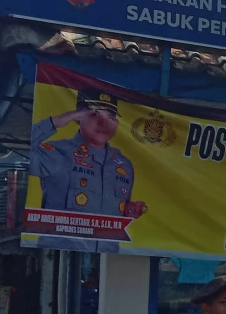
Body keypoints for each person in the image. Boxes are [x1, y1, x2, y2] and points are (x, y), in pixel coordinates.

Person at [29, 89, 146, 251]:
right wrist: (59, 120)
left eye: (110, 117)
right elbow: (22, 150)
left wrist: (128, 212)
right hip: (62, 256)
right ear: (78, 118)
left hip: (107, 260)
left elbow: (114, 214)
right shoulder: (59, 153)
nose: (103, 124)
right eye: (94, 115)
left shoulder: (123, 165)